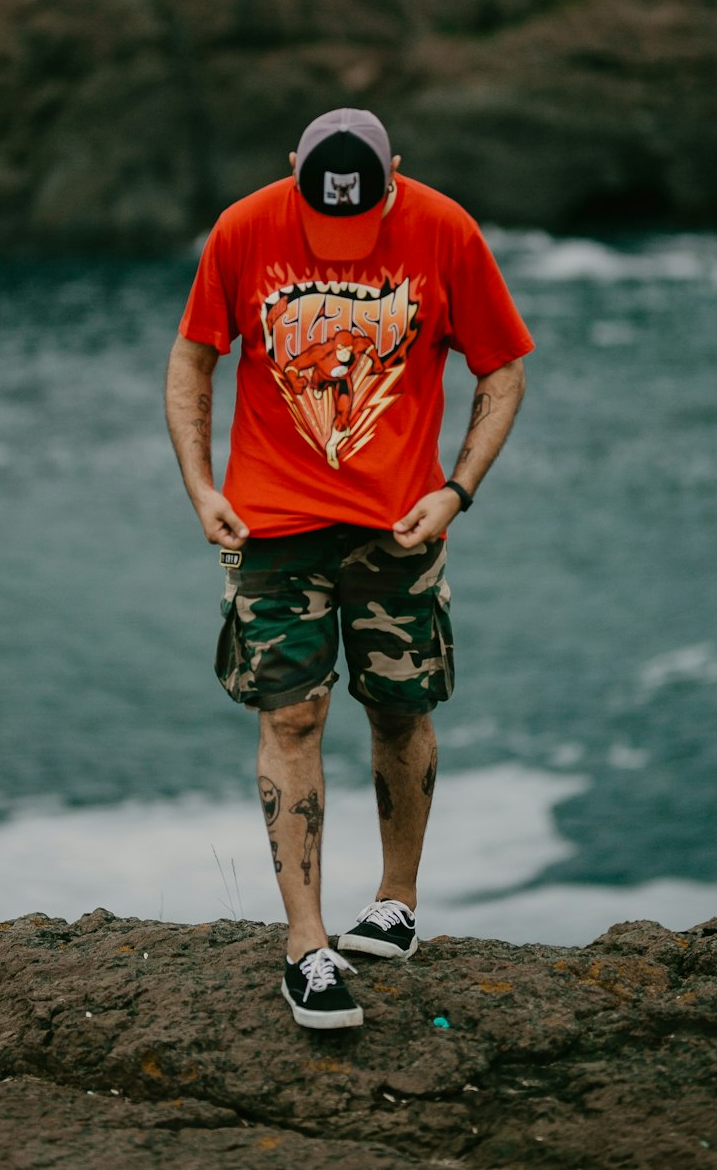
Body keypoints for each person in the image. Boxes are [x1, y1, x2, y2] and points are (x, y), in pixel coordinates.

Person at [165, 107, 533, 1029]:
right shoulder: (244, 229)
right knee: (292, 713)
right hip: (274, 525)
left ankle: (396, 905)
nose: (338, 243)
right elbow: (192, 357)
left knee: (400, 710)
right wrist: (200, 486)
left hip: (398, 527)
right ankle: (306, 947)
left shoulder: (445, 230)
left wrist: (457, 491)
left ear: (394, 174)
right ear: (292, 168)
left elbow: (503, 367)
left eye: (359, 219)